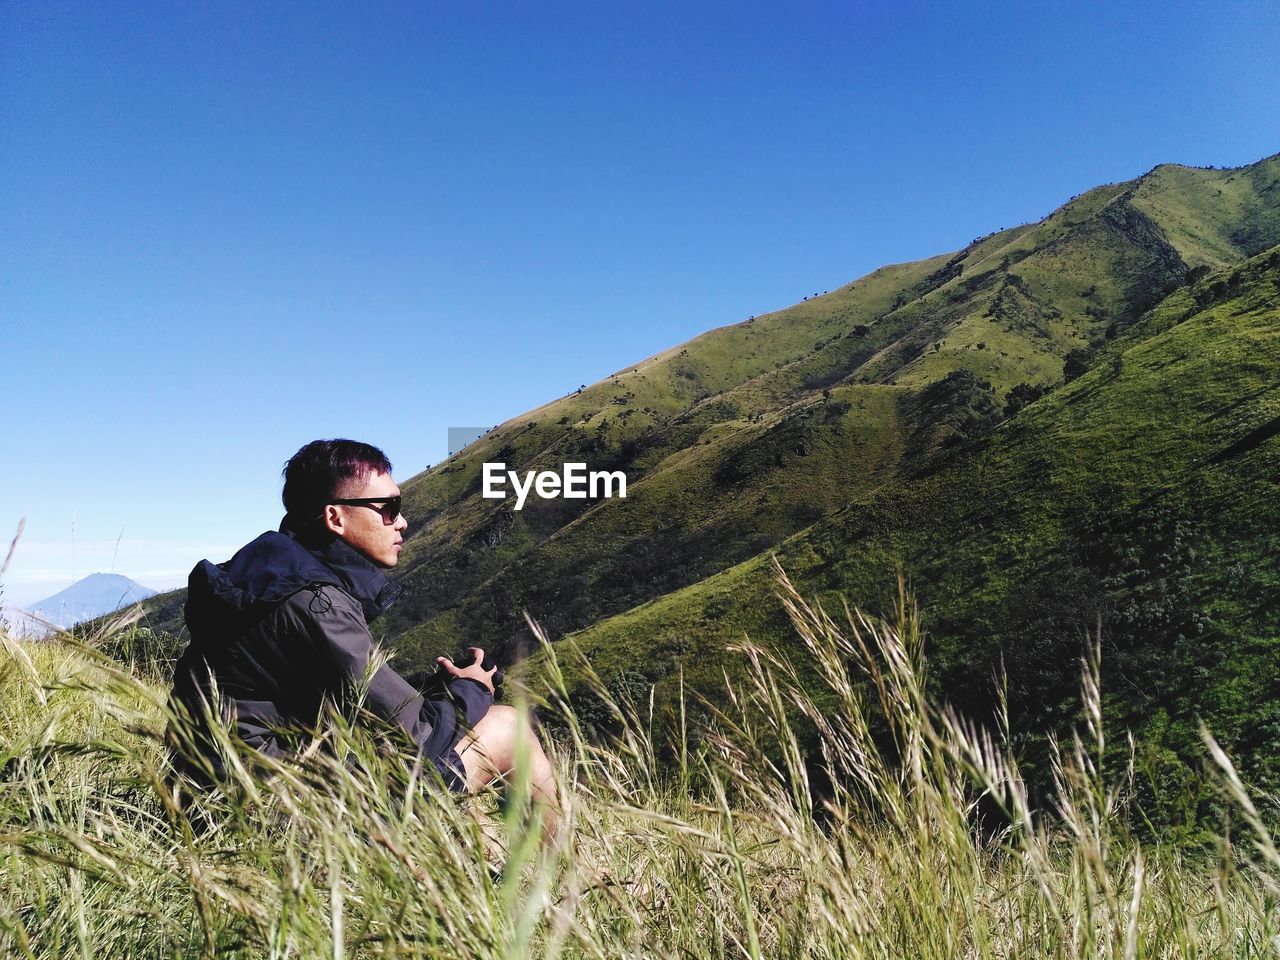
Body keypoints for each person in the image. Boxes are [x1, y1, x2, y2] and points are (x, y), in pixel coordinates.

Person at [168, 438, 558, 833]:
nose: (402, 522)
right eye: (389, 509)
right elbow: (419, 735)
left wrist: (439, 689)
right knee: (508, 727)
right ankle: (567, 878)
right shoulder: (316, 602)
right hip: (274, 817)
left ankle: (464, 871)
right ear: (335, 518)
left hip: (210, 797)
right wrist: (474, 688)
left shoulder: (270, 575)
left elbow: (333, 698)